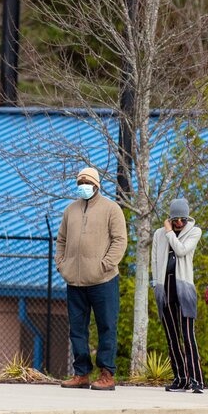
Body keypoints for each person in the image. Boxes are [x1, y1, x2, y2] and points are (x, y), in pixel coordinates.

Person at [57, 167, 128, 390]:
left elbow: (120, 241)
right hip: (75, 282)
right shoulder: (70, 210)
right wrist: (62, 265)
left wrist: (104, 265)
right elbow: (61, 240)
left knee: (107, 326)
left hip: (103, 281)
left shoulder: (111, 209)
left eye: (87, 183)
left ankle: (107, 374)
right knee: (77, 329)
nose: (83, 187)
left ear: (97, 185)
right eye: (80, 183)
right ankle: (82, 373)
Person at [150, 198, 204, 393]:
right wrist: (156, 283)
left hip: (183, 287)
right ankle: (180, 378)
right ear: (170, 218)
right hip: (165, 287)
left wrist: (169, 232)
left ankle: (196, 379)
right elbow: (155, 260)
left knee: (188, 336)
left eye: (182, 219)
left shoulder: (194, 231)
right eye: (175, 219)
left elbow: (181, 251)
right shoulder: (159, 234)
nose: (179, 223)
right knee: (172, 337)